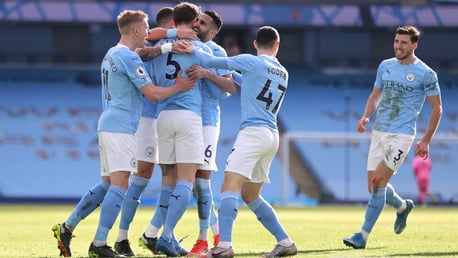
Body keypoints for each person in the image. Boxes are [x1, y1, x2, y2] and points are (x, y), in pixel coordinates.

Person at [51, 9, 195, 258]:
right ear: (137, 30)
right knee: (120, 186)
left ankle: (67, 227)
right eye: (147, 27)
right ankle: (99, 244)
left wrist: (166, 46)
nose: (149, 32)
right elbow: (152, 93)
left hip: (108, 123)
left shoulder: (112, 53)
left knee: (107, 184)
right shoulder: (128, 57)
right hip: (121, 127)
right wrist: (178, 87)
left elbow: (143, 57)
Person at [187, 25, 298, 257]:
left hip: (253, 133)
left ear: (256, 44)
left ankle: (224, 245)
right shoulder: (282, 71)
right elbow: (249, 82)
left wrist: (188, 46)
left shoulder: (251, 61)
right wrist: (219, 75)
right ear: (277, 46)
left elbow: (209, 61)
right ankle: (285, 242)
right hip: (272, 136)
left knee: (229, 186)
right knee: (250, 195)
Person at [343, 25, 442, 249]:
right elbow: (375, 95)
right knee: (373, 186)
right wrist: (365, 116)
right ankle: (403, 207)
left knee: (378, 183)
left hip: (402, 134)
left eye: (404, 42)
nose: (398, 46)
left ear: (414, 45)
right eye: (397, 41)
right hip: (379, 130)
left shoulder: (426, 74)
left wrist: (426, 140)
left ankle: (362, 236)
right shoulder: (385, 66)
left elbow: (437, 108)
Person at [144, 2, 215, 256]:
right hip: (188, 117)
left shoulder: (158, 48)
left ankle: (163, 235)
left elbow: (143, 46)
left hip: (163, 116)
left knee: (168, 182)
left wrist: (168, 39)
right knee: (187, 181)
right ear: (195, 20)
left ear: (173, 20)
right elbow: (221, 69)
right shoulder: (198, 47)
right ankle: (166, 237)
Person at [185, 10, 237, 256]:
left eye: (202, 22)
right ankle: (215, 234)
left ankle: (203, 240)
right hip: (185, 119)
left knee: (201, 178)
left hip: (206, 121)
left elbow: (229, 87)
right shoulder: (185, 44)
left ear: (213, 31)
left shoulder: (217, 52)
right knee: (192, 182)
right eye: (196, 19)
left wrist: (206, 73)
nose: (196, 24)